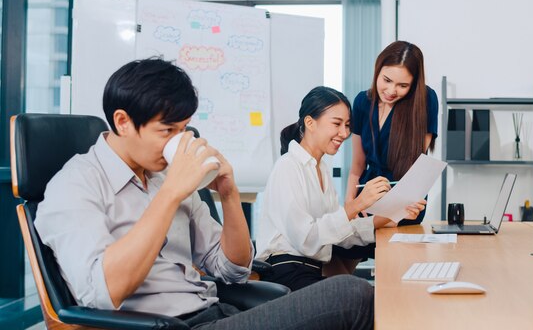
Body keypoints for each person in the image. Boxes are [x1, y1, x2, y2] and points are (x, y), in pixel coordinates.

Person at [35, 59, 374, 329]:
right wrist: (170, 194)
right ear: (123, 122)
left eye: (182, 130)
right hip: (166, 325)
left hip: (213, 311)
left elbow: (232, 268)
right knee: (352, 294)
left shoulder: (163, 174)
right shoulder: (74, 186)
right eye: (167, 131)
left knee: (361, 299)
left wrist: (228, 193)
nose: (177, 141)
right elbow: (102, 293)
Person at [255, 86, 425, 291]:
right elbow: (307, 240)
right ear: (310, 123)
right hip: (286, 274)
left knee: (377, 294)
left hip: (309, 270)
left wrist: (394, 213)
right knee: (363, 294)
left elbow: (342, 232)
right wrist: (359, 203)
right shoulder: (288, 167)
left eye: (347, 125)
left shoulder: (321, 169)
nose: (344, 133)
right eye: (336, 124)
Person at [330, 41, 438, 274]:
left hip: (405, 199)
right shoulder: (362, 102)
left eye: (402, 85)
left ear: (414, 84)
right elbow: (357, 166)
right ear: (377, 71)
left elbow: (417, 168)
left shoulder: (425, 100)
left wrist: (401, 205)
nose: (391, 91)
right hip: (367, 195)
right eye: (386, 80)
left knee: (394, 269)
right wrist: (350, 205)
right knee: (334, 253)